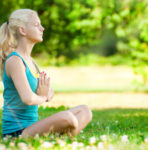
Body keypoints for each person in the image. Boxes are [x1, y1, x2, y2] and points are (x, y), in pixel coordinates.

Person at [0, 9, 92, 138]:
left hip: (33, 127)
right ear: (22, 30)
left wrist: (46, 94)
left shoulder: (31, 61)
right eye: (36, 25)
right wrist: (43, 97)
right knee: (68, 118)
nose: (42, 28)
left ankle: (60, 139)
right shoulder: (15, 61)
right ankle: (62, 138)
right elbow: (28, 99)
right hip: (17, 132)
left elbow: (49, 91)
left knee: (85, 111)